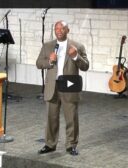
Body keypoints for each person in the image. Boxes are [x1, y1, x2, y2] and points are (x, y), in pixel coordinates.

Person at [36, 20, 89, 155]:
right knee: (51, 118)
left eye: (62, 28)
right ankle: (50, 144)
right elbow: (38, 63)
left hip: (69, 86)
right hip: (52, 87)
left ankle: (71, 145)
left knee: (71, 118)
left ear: (67, 30)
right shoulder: (48, 46)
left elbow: (86, 66)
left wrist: (75, 56)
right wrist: (49, 61)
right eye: (56, 29)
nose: (59, 31)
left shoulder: (78, 46)